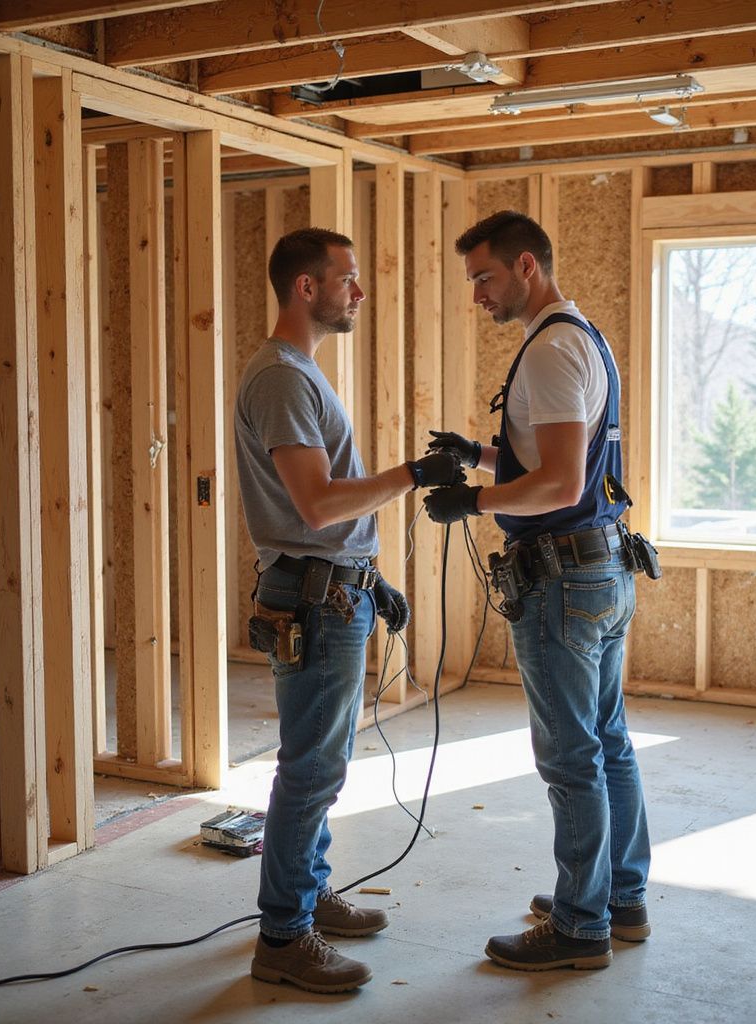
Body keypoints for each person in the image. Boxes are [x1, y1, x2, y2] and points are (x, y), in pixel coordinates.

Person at [424, 210, 652, 972]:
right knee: (606, 741)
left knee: (570, 756)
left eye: (484, 277)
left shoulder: (551, 350)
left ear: (527, 266)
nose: (477, 295)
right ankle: (618, 897)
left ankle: (582, 926)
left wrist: (473, 501)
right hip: (603, 565)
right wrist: (482, 456)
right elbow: (563, 466)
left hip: (563, 578)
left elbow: (555, 482)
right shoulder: (580, 337)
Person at [234, 227, 460, 994]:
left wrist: (369, 574)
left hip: (334, 586)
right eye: (348, 279)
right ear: (307, 287)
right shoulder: (282, 379)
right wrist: (412, 473)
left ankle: (309, 892)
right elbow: (318, 504)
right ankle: (284, 937)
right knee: (310, 771)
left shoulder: (300, 374)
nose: (358, 292)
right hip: (314, 595)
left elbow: (323, 518)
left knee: (322, 767)